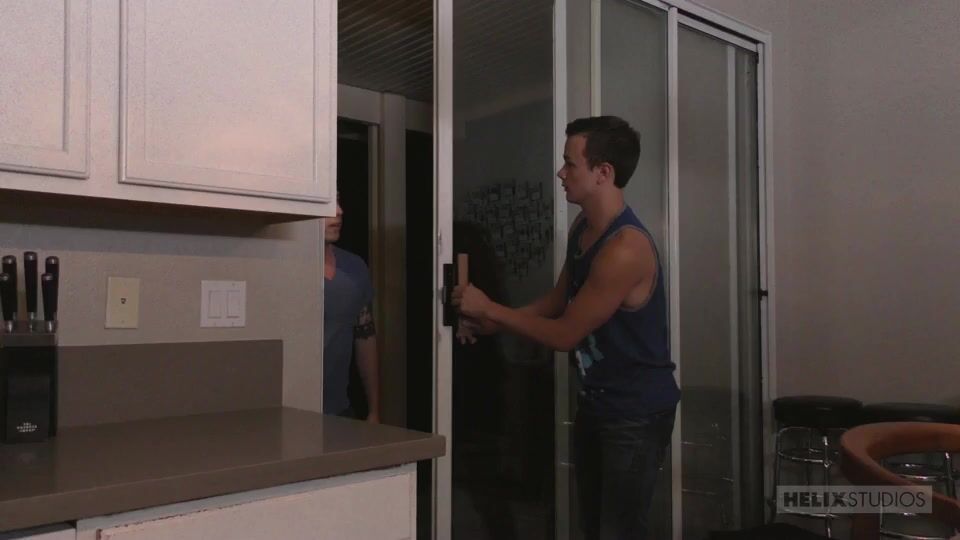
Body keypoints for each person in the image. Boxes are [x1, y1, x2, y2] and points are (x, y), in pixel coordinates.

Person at [453, 116, 680, 539]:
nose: (560, 173)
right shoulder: (584, 229)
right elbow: (557, 302)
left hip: (635, 411)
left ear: (603, 172)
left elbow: (565, 335)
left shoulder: (624, 249)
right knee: (592, 524)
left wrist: (492, 308)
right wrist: (494, 320)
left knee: (618, 530)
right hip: (598, 401)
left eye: (570, 163)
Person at [323, 200, 380, 423]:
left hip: (340, 411)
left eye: (338, 201)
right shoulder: (286, 268)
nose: (339, 210)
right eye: (328, 201)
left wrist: (374, 410)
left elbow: (365, 337)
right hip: (294, 412)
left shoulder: (354, 267)